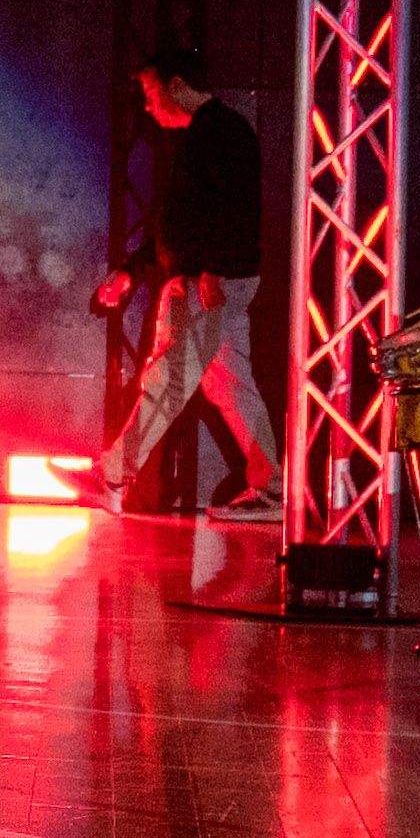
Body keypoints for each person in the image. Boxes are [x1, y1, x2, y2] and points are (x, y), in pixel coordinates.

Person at [91, 48, 281, 521]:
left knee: (169, 376)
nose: (149, 107)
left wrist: (213, 270)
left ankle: (115, 471)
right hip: (210, 277)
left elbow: (235, 209)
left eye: (152, 94)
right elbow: (177, 221)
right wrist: (134, 271)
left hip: (207, 281)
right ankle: (272, 490)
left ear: (176, 85)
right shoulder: (205, 135)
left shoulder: (221, 134)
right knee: (231, 386)